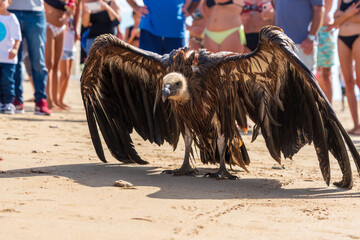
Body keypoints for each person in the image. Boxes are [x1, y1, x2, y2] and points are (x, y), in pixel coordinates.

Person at [9, 0, 51, 115]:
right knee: (13, 59)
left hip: (36, 12)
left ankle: (41, 100)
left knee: (38, 59)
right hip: (11, 9)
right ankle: (15, 99)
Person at [326, 0, 360, 134]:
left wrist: (342, 15)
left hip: (358, 37)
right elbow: (335, 23)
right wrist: (349, 14)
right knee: (349, 83)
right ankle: (356, 124)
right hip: (341, 38)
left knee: (359, 81)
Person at [126, 0, 201, 54]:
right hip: (149, 31)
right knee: (148, 71)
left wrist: (190, 10)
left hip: (176, 31)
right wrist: (136, 7)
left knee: (175, 71)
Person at [274, 0, 325, 74]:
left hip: (302, 46)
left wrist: (311, 38)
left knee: (304, 84)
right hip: (280, 45)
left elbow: (319, 9)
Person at [44, 0, 75, 110]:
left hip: (61, 27)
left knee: (56, 65)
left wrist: (71, 9)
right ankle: (49, 100)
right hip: (48, 26)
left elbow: (70, 12)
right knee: (49, 64)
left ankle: (56, 100)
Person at [0, 0, 21, 114]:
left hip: (8, 59)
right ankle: (1, 102)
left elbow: (18, 38)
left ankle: (9, 103)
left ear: (9, 2)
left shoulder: (12, 18)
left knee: (7, 81)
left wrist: (15, 49)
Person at [316, 0, 336, 104]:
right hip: (311, 31)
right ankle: (320, 108)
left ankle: (330, 111)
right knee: (313, 75)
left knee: (326, 75)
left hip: (325, 31)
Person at [58, 17, 76, 110]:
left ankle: (60, 100)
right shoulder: (63, 12)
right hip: (63, 47)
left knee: (67, 75)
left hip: (71, 47)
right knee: (63, 74)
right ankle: (56, 100)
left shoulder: (72, 15)